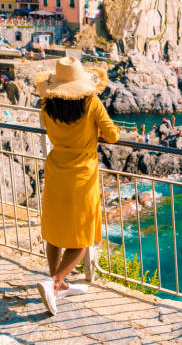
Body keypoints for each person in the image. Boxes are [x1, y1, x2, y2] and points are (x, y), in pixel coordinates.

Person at [34, 57, 120, 315]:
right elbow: (113, 135)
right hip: (82, 176)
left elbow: (51, 133)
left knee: (55, 233)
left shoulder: (46, 105)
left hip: (56, 170)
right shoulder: (91, 102)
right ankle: (55, 282)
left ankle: (57, 286)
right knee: (82, 240)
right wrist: (94, 134)